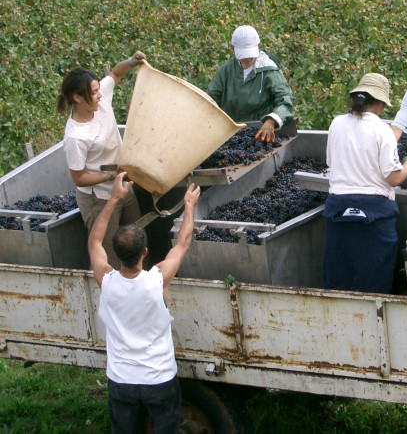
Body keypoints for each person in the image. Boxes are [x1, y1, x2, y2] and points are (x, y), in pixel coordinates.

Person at [88, 172, 201, 434]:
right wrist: (189, 206)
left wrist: (114, 198)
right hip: (159, 380)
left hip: (121, 381)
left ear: (116, 255)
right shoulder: (157, 280)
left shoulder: (106, 281)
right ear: (146, 253)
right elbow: (182, 244)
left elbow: (94, 240)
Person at [323, 73, 407, 294]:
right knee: (374, 285)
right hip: (374, 217)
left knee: (339, 281)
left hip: (337, 212)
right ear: (380, 103)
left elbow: (331, 163)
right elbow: (393, 178)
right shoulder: (382, 130)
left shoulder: (337, 123)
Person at [56, 52, 145, 266]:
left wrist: (131, 62)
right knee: (109, 256)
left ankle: (141, 286)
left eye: (98, 90)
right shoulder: (76, 136)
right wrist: (108, 176)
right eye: (93, 93)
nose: (99, 95)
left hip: (123, 185)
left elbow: (115, 73)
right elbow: (79, 178)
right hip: (100, 199)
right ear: (77, 98)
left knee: (137, 242)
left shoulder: (101, 101)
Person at [208, 25, 295, 143]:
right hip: (230, 135)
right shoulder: (226, 71)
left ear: (259, 47)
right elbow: (209, 100)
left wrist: (271, 121)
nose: (247, 59)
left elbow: (286, 101)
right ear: (233, 49)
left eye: (250, 55)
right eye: (243, 55)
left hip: (261, 135)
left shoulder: (268, 70)